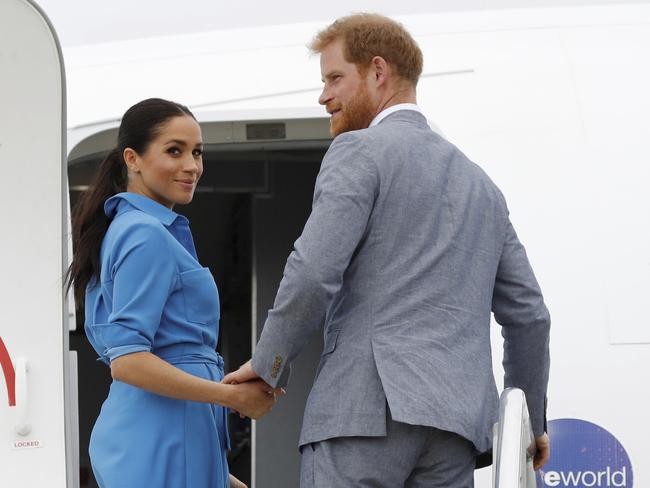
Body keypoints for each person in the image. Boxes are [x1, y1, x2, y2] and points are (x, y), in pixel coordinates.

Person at [224, 13, 551, 487]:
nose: (323, 96)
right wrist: (531, 423)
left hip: (364, 414)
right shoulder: (483, 188)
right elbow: (530, 316)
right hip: (453, 433)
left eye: (335, 78)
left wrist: (269, 363)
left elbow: (314, 271)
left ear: (378, 72)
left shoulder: (359, 151)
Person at [67, 98, 280, 488]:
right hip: (161, 437)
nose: (192, 166)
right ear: (132, 159)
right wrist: (229, 397)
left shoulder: (133, 230)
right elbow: (128, 361)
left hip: (167, 437)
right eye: (174, 151)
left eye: (197, 152)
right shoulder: (144, 234)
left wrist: (221, 475)